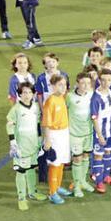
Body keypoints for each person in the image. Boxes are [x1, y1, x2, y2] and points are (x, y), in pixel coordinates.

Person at [7, 82, 47, 210]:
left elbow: (37, 124)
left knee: (31, 168)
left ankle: (32, 192)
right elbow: (10, 125)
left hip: (33, 144)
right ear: (19, 94)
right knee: (21, 170)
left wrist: (40, 139)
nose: (27, 95)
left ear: (33, 94)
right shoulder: (16, 109)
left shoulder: (35, 107)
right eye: (24, 92)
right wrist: (13, 142)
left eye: (30, 92)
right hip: (21, 146)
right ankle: (21, 197)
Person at [42, 74, 71, 204]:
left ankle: (58, 186)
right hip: (54, 135)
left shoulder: (62, 98)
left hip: (64, 133)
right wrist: (48, 140)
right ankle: (52, 192)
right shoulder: (50, 101)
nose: (63, 87)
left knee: (62, 162)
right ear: (53, 86)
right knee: (55, 163)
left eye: (64, 84)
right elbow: (46, 123)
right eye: (60, 84)